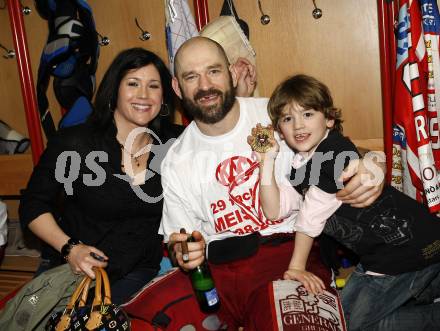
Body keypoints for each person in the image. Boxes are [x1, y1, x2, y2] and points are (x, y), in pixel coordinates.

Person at [159, 37, 386, 329]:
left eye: (214, 71)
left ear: (230, 73)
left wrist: (374, 163)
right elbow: (180, 241)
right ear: (177, 88)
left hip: (287, 253)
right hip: (218, 270)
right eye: (192, 76)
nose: (205, 85)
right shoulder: (176, 160)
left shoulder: (277, 113)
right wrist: (183, 253)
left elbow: (339, 150)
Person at [255, 74, 440, 330]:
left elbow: (311, 215)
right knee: (354, 319)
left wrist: (296, 266)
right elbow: (275, 209)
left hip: (406, 248)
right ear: (279, 130)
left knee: (345, 323)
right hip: (387, 253)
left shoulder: (334, 152)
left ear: (329, 119)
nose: (298, 125)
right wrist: (266, 162)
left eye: (308, 114)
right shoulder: (301, 165)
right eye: (288, 118)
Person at [19, 47, 183, 304]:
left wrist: (238, 88)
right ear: (114, 90)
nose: (144, 95)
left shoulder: (176, 142)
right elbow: (33, 204)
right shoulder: (76, 144)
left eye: (153, 86)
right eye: (133, 83)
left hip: (141, 273)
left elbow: (220, 137)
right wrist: (70, 249)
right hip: (78, 273)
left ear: (164, 97)